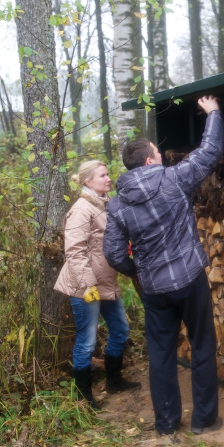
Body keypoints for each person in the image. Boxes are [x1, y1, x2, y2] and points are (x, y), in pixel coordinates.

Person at [103, 95, 224, 436]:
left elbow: (112, 253)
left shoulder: (116, 206)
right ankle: (204, 420)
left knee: (161, 356)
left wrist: (135, 270)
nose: (160, 154)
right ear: (149, 159)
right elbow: (210, 151)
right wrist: (213, 113)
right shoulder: (172, 179)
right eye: (157, 151)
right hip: (188, 278)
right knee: (201, 346)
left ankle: (167, 425)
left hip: (155, 289)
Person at [54, 160, 141, 410]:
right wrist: (88, 285)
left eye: (107, 174)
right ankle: (84, 399)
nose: (108, 179)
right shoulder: (81, 210)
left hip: (105, 283)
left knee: (121, 330)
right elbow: (75, 252)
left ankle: (114, 381)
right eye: (102, 176)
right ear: (87, 182)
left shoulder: (103, 204)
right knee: (87, 341)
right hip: (86, 287)